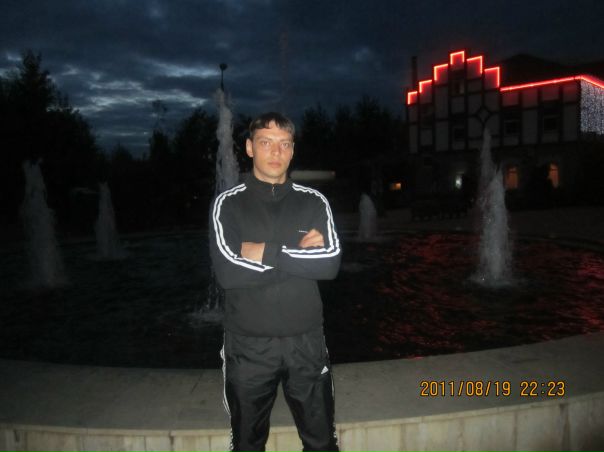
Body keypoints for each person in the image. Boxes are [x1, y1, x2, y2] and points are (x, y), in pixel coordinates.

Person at [210, 112, 341, 452]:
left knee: (322, 443)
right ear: (250, 147)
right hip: (248, 349)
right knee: (247, 445)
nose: (275, 152)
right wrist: (298, 254)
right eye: (266, 142)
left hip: (307, 344)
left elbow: (329, 264)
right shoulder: (228, 204)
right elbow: (228, 273)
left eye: (284, 144)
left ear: (293, 150)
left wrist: (264, 252)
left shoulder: (314, 201)